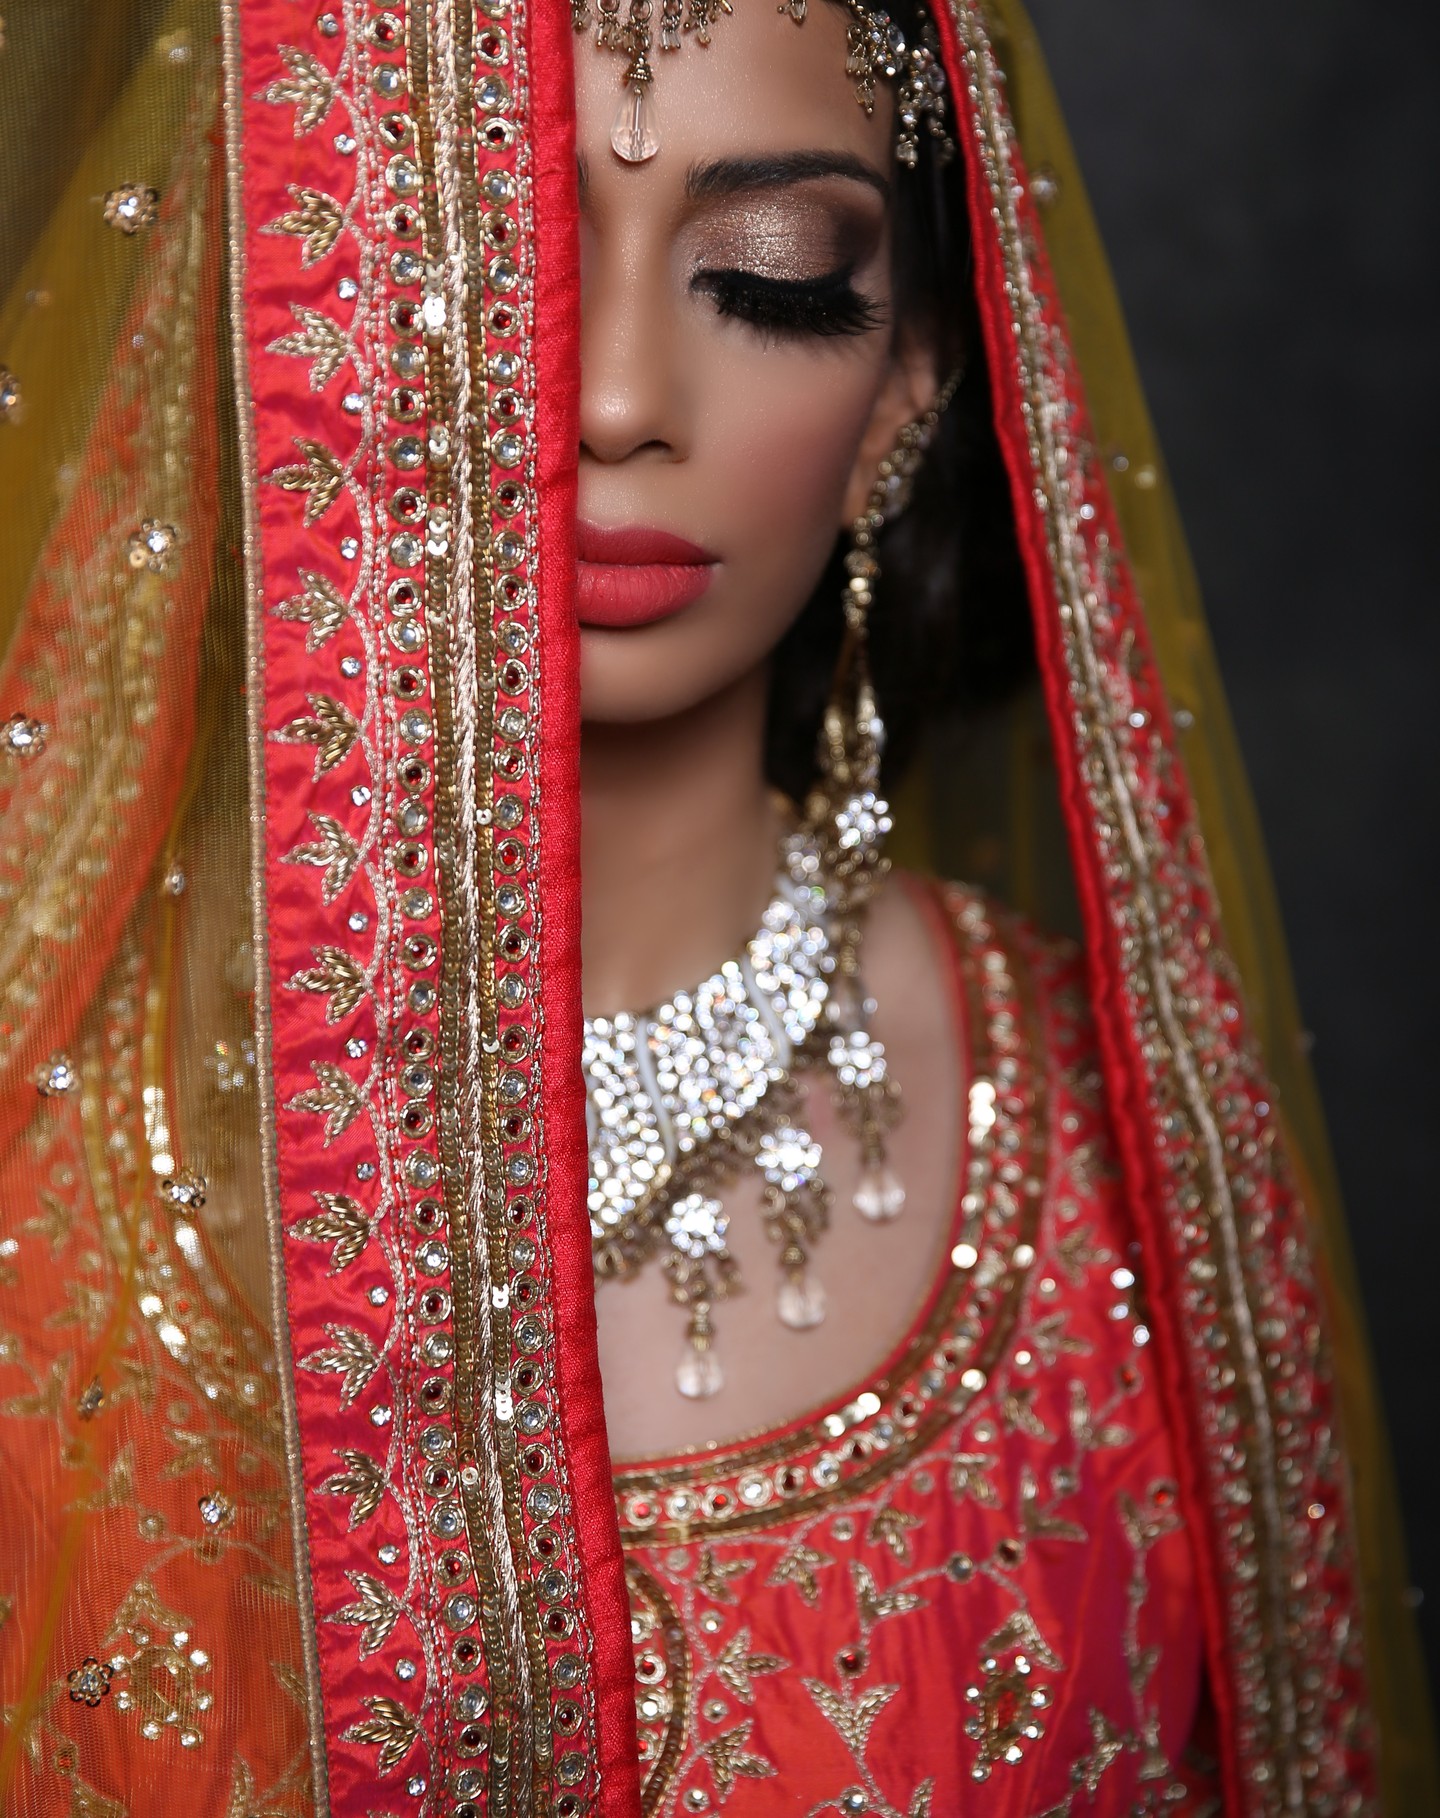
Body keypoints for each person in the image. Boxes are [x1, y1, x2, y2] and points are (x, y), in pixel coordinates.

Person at [0, 1, 1430, 1814]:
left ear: (909, 382)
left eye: (767, 277)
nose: (610, 400)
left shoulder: (1116, 1163)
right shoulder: (43, 1114)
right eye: (494, 245)